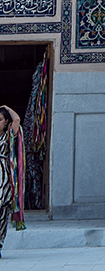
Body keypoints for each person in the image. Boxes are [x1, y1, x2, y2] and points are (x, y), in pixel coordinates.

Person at [0, 106, 24, 255]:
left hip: (4, 176)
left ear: (5, 122)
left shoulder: (7, 136)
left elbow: (17, 120)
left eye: (0, 119)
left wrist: (7, 108)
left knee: (2, 212)